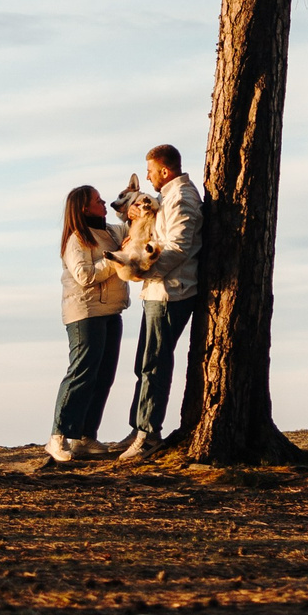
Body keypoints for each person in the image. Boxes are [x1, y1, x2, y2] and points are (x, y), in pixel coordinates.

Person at [117, 143, 199, 461]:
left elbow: (177, 247)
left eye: (150, 171)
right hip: (158, 290)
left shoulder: (183, 198)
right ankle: (139, 428)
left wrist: (142, 270)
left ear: (165, 170)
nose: (148, 177)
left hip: (170, 292)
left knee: (154, 363)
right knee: (145, 363)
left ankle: (149, 434)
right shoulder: (168, 198)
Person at [51, 184, 127, 463]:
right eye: (98, 200)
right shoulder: (76, 239)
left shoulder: (111, 232)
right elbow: (84, 276)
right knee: (81, 373)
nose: (104, 202)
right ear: (84, 208)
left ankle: (84, 437)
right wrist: (116, 260)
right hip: (84, 313)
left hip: (111, 311)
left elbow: (134, 234)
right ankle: (58, 436)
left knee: (103, 376)